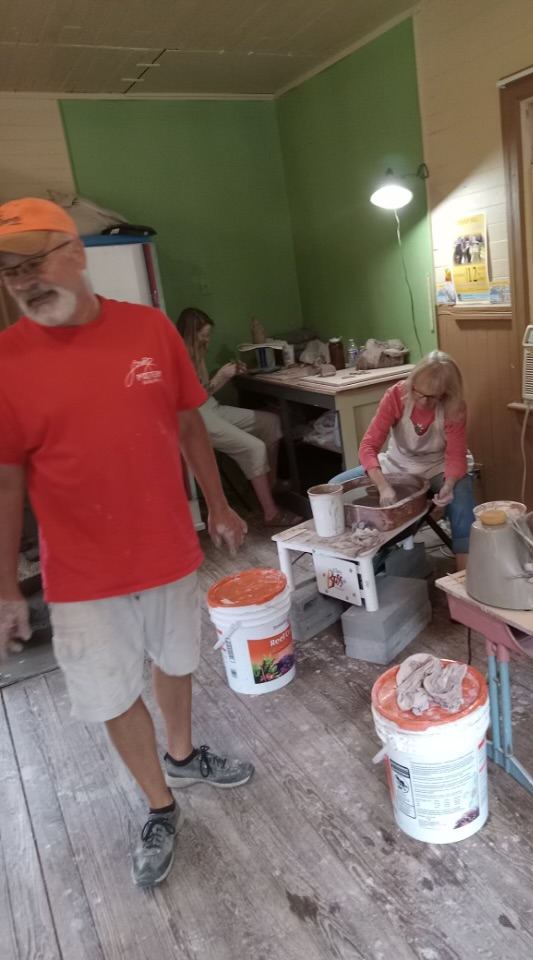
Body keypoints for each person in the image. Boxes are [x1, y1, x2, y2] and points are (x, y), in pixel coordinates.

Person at [0, 198, 253, 889]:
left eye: (34, 262)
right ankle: (160, 804)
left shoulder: (148, 330)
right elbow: (6, 481)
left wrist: (219, 504)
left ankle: (182, 755)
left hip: (166, 547)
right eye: (10, 272)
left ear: (76, 253)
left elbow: (190, 423)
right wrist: (5, 588)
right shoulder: (7, 361)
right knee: (111, 692)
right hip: (81, 574)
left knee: (176, 661)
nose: (24, 281)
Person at [330, 350, 474, 570]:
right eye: (418, 392)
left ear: (446, 394)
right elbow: (368, 447)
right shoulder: (397, 395)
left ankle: (464, 572)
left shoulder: (454, 406)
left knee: (462, 492)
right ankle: (344, 562)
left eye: (432, 397)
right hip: (397, 463)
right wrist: (383, 486)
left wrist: (449, 484)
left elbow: (456, 455)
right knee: (333, 488)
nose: (423, 401)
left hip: (437, 466)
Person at [177, 307, 298, 527]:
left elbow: (206, 392)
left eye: (208, 335)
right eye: (203, 336)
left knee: (271, 423)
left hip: (211, 407)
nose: (207, 340)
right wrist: (221, 376)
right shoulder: (178, 358)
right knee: (255, 448)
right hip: (197, 417)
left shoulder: (197, 352)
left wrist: (229, 374)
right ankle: (270, 512)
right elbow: (194, 400)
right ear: (190, 334)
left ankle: (268, 486)